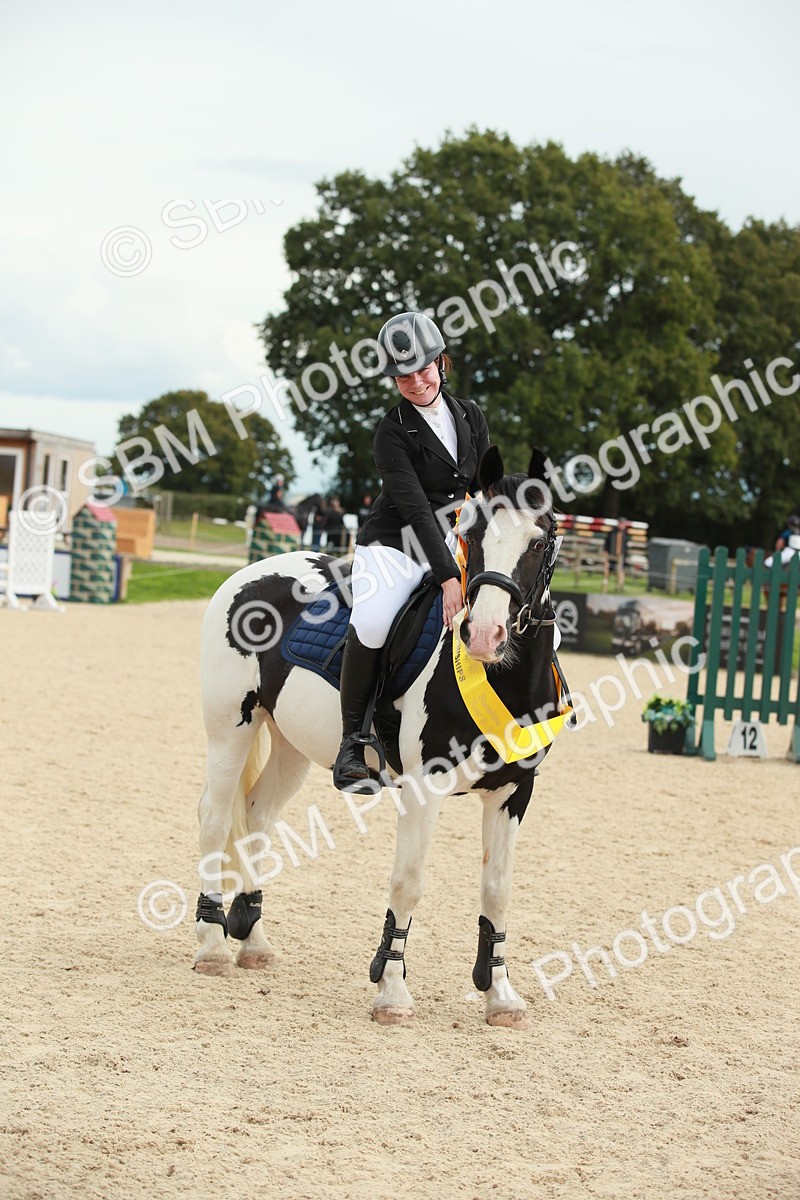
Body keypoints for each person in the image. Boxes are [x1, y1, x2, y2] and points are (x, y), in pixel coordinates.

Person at [333, 311, 490, 791]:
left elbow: (484, 488)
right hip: (395, 544)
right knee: (373, 621)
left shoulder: (471, 415)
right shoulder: (392, 431)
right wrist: (448, 578)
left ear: (441, 363)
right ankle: (352, 743)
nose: (416, 383)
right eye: (404, 376)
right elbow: (418, 511)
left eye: (423, 370)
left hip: (457, 538)